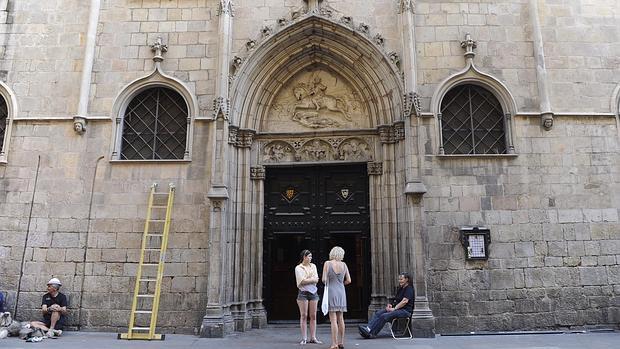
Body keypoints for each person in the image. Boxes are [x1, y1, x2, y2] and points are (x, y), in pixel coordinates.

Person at [358, 272, 414, 339]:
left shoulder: (409, 289)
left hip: (405, 311)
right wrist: (391, 305)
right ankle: (368, 329)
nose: (399, 281)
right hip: (398, 309)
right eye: (399, 279)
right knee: (379, 312)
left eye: (401, 279)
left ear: (406, 279)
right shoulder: (401, 288)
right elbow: (396, 300)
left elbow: (404, 301)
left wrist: (394, 308)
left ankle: (372, 333)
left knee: (384, 316)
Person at [322, 246, 351, 349]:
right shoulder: (344, 264)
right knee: (341, 318)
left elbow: (324, 279)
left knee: (333, 319)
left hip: (331, 291)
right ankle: (341, 342)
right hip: (341, 291)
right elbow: (349, 280)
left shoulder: (327, 263)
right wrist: (341, 283)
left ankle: (334, 344)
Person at [294, 250, 322, 345]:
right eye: (309, 256)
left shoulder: (313, 266)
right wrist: (312, 279)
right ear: (304, 257)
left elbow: (317, 279)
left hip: (313, 293)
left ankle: (313, 337)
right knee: (304, 315)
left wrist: (309, 279)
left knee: (313, 316)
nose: (311, 258)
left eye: (311, 256)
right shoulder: (298, 268)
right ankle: (304, 338)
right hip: (303, 293)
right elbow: (301, 281)